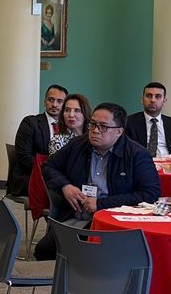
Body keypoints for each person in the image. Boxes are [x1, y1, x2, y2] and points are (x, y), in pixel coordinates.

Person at [38, 102, 160, 256]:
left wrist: (101, 204)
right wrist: (65, 186)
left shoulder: (137, 154)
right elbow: (49, 167)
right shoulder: (77, 145)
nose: (95, 131)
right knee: (43, 251)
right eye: (93, 124)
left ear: (119, 132)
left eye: (103, 127)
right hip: (75, 215)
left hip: (112, 223)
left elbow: (150, 193)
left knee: (87, 256)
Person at [10, 84, 69, 199]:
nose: (54, 105)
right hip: (31, 177)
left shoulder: (69, 127)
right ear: (44, 101)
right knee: (62, 190)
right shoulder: (30, 123)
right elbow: (24, 157)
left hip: (58, 176)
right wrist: (50, 173)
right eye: (50, 100)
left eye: (60, 101)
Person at [124, 82, 171, 158]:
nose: (153, 100)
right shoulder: (129, 122)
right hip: (141, 163)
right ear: (142, 100)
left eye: (158, 97)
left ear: (164, 101)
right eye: (149, 96)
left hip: (169, 164)